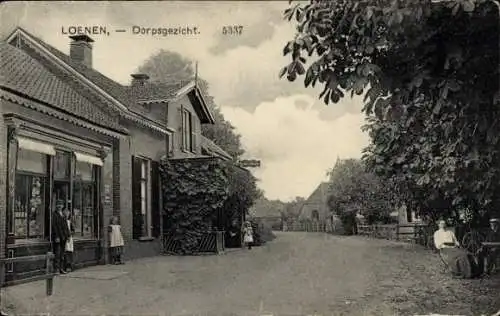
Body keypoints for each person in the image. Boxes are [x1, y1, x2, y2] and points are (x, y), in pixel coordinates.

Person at [51, 200, 71, 274]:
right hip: (58, 237)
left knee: (62, 254)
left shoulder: (63, 214)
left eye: (61, 205)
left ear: (63, 206)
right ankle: (56, 269)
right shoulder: (54, 214)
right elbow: (54, 226)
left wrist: (68, 235)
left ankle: (61, 268)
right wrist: (56, 236)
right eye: (58, 204)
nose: (59, 206)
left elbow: (66, 226)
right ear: (56, 206)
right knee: (57, 253)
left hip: (64, 237)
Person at [63, 208, 75, 272]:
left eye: (68, 213)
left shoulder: (70, 222)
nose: (67, 214)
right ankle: (66, 266)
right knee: (66, 252)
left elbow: (73, 229)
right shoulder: (63, 220)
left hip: (70, 238)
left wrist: (71, 233)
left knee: (70, 251)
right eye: (65, 213)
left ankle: (70, 265)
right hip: (65, 238)